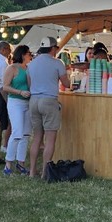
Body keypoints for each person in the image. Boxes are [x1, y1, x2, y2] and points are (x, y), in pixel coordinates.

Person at [27, 36, 71, 179]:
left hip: (34, 100)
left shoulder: (31, 64)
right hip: (49, 100)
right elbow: (67, 83)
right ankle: (45, 172)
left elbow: (29, 83)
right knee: (50, 138)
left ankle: (32, 171)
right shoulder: (57, 63)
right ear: (53, 48)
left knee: (37, 137)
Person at [1, 44, 32, 177]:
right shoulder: (12, 68)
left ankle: (21, 162)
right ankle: (8, 163)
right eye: (29, 53)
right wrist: (20, 91)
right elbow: (5, 87)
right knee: (17, 132)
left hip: (27, 102)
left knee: (26, 134)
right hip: (15, 102)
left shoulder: (29, 68)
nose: (30, 56)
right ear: (23, 54)